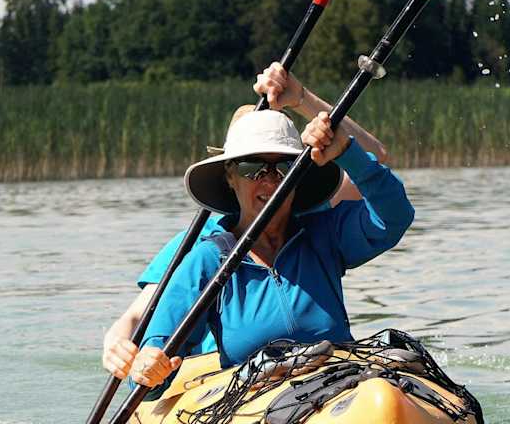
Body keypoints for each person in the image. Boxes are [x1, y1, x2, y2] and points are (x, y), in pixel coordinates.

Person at [100, 63, 393, 380]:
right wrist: (117, 342)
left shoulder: (317, 225)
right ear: (230, 173)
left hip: (321, 366)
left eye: (281, 164)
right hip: (225, 373)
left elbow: (376, 157)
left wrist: (301, 98)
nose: (268, 178)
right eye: (252, 165)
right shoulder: (201, 248)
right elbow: (141, 315)